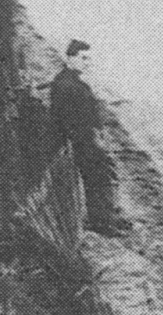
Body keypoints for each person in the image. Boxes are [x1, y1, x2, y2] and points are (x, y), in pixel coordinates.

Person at [50, 40, 125, 235]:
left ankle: (109, 217)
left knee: (104, 175)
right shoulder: (65, 84)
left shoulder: (74, 81)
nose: (87, 63)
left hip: (88, 138)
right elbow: (65, 118)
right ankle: (101, 223)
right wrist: (88, 139)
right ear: (70, 58)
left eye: (89, 59)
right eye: (83, 58)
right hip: (81, 141)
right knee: (97, 179)